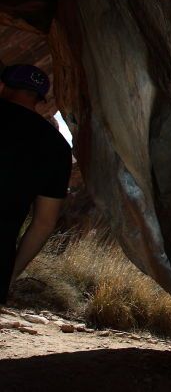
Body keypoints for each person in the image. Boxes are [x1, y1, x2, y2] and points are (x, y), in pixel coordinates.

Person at [0, 64, 72, 307]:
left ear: (2, 86)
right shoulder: (58, 148)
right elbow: (44, 223)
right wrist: (10, 273)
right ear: (40, 100)